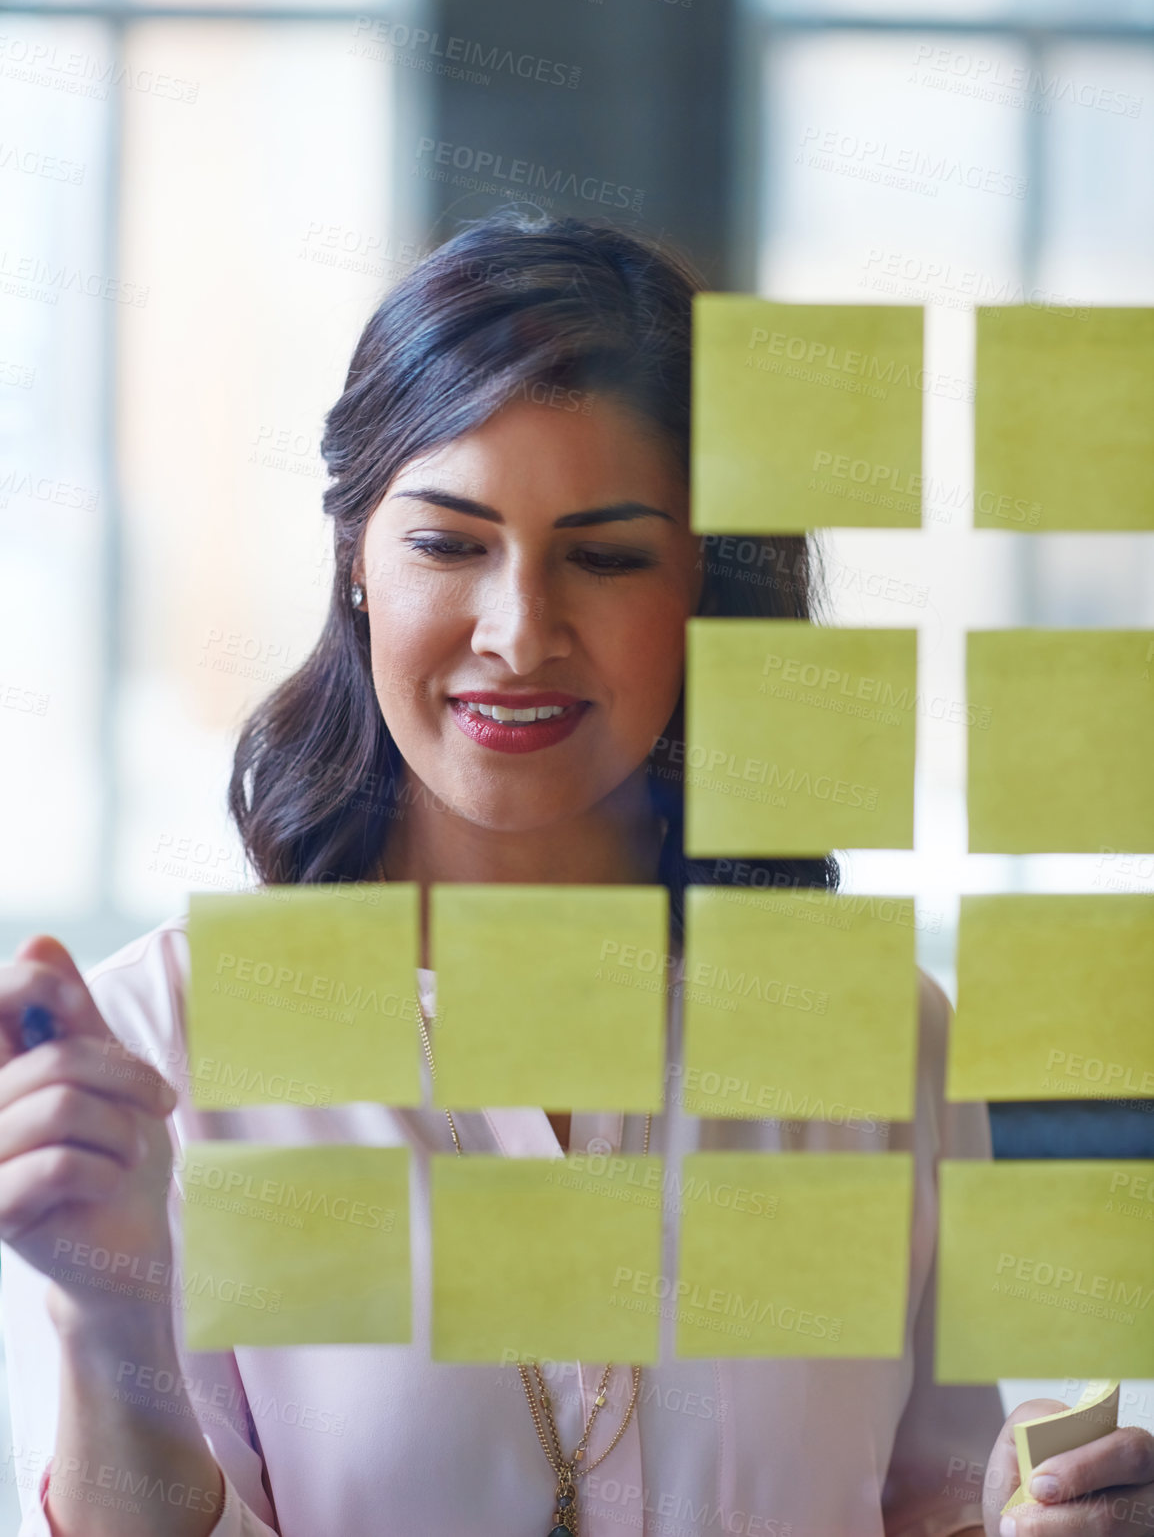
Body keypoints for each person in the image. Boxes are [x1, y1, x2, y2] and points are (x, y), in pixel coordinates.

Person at [2, 212, 1151, 1537]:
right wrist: (109, 1302)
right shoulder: (171, 1043)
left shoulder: (873, 1038)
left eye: (604, 557)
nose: (518, 633)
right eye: (447, 544)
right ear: (355, 564)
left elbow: (929, 1501)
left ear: (704, 593)